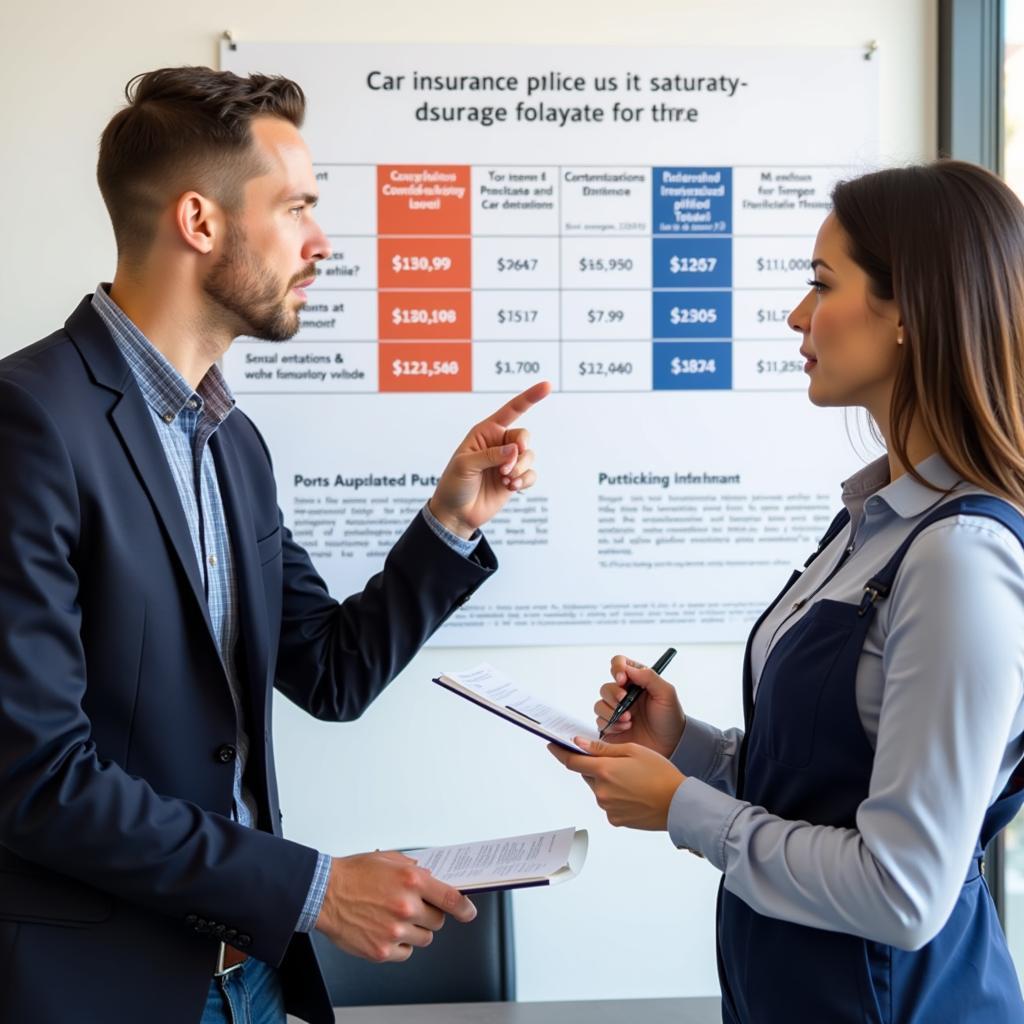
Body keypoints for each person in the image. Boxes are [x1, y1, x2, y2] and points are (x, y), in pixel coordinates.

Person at [0, 67, 550, 1024]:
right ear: (201, 223)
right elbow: (34, 776)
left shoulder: (232, 443)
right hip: (101, 994)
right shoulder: (28, 422)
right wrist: (315, 890)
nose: (322, 242)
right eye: (295, 206)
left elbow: (330, 671)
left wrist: (452, 521)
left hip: (251, 980)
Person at [550, 160, 1024, 1022]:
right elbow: (826, 781)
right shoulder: (873, 524)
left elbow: (904, 891)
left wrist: (684, 809)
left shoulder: (961, 559)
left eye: (821, 284)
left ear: (910, 311)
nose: (796, 315)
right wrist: (683, 746)